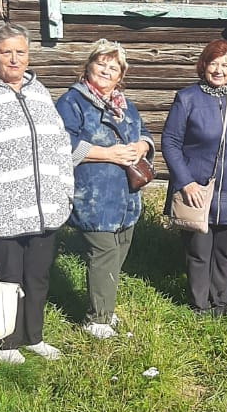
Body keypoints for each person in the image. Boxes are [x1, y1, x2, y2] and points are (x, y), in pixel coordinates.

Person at [0, 23, 74, 364]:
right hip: (1, 210)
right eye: (6, 52)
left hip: (45, 207)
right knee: (7, 279)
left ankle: (34, 337)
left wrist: (65, 191)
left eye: (20, 52)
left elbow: (59, 143)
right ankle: (7, 342)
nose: (14, 59)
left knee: (38, 276)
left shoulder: (39, 91)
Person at [56, 40, 154, 339]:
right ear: (88, 65)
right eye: (101, 64)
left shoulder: (125, 104)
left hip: (126, 196)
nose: (106, 71)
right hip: (93, 194)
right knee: (104, 252)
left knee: (119, 248)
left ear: (120, 75)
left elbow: (145, 133)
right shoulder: (72, 102)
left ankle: (105, 310)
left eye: (113, 67)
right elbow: (62, 144)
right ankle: (96, 320)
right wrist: (108, 154)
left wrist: (141, 146)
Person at [162, 41, 227, 317]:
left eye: (225, 65)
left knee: (226, 253)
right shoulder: (187, 98)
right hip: (197, 189)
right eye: (214, 63)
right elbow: (170, 142)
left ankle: (220, 304)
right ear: (204, 65)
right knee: (199, 253)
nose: (219, 70)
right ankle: (200, 307)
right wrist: (186, 182)